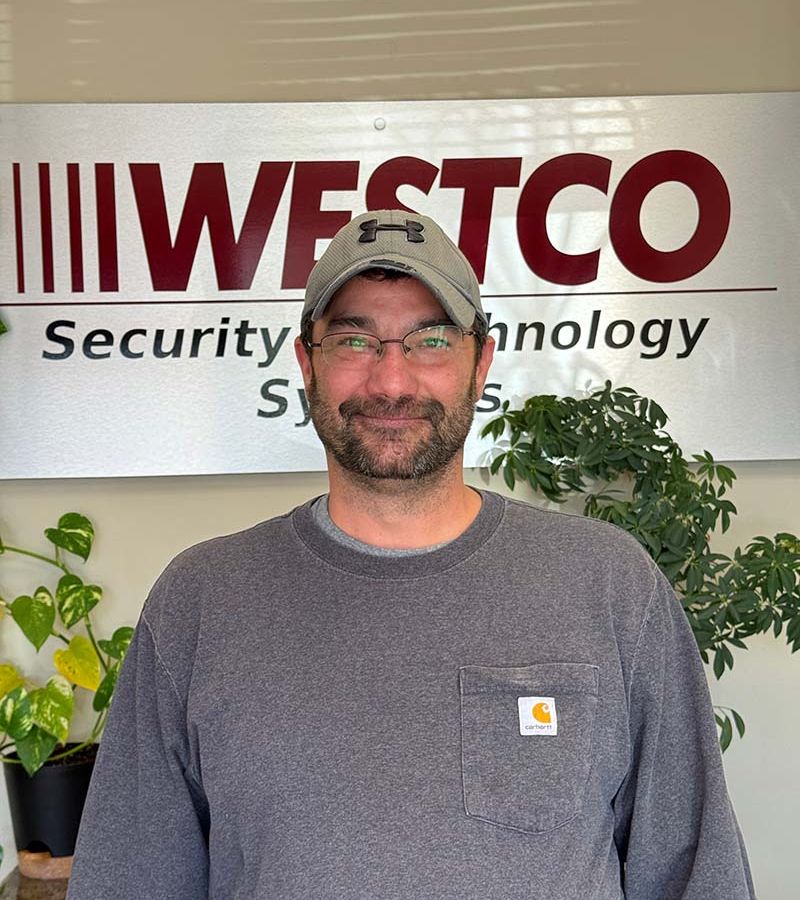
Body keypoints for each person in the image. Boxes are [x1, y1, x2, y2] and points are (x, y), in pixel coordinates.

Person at [68, 210, 755, 899]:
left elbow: (697, 874)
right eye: (353, 340)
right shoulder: (201, 601)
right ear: (306, 361)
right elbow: (131, 878)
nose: (391, 382)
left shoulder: (608, 585)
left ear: (480, 362)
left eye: (429, 339)